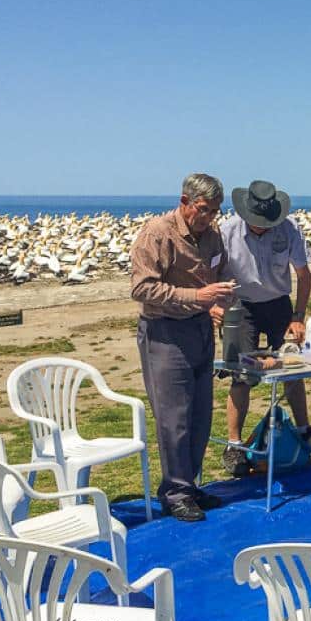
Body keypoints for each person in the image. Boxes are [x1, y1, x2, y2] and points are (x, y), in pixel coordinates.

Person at [131, 173, 236, 523]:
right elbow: (143, 289)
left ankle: (188, 486)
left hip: (200, 329)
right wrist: (198, 297)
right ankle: (174, 493)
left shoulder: (213, 236)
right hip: (165, 332)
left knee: (200, 416)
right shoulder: (157, 234)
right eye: (203, 210)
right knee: (174, 419)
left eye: (215, 212)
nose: (208, 218)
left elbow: (216, 275)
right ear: (185, 202)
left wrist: (219, 300)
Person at [218, 180, 311, 473]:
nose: (261, 228)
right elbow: (212, 275)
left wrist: (298, 316)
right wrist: (219, 310)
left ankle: (304, 430)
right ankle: (234, 445)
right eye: (256, 224)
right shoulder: (226, 232)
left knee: (293, 367)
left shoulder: (289, 227)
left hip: (279, 302)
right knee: (241, 374)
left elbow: (303, 275)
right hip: (242, 307)